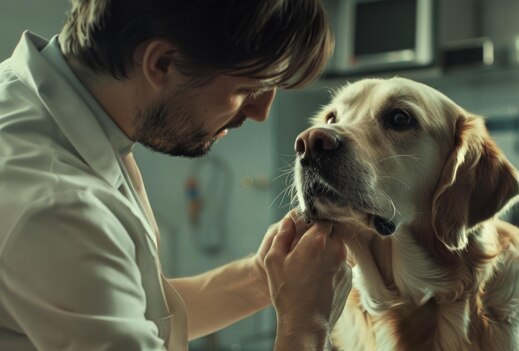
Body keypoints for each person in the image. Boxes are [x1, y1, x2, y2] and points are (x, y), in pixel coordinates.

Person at [0, 1, 352, 350]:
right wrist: (305, 325)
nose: (260, 112)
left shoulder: (49, 106)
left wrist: (265, 276)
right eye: (247, 89)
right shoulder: (56, 204)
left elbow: (130, 314)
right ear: (162, 64)